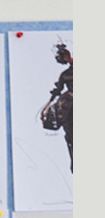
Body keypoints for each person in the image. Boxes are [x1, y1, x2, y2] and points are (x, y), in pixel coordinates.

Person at [40, 42, 73, 171]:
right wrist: (49, 103)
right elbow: (58, 90)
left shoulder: (65, 74)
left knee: (71, 136)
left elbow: (58, 90)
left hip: (68, 105)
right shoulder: (65, 74)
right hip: (68, 107)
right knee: (70, 136)